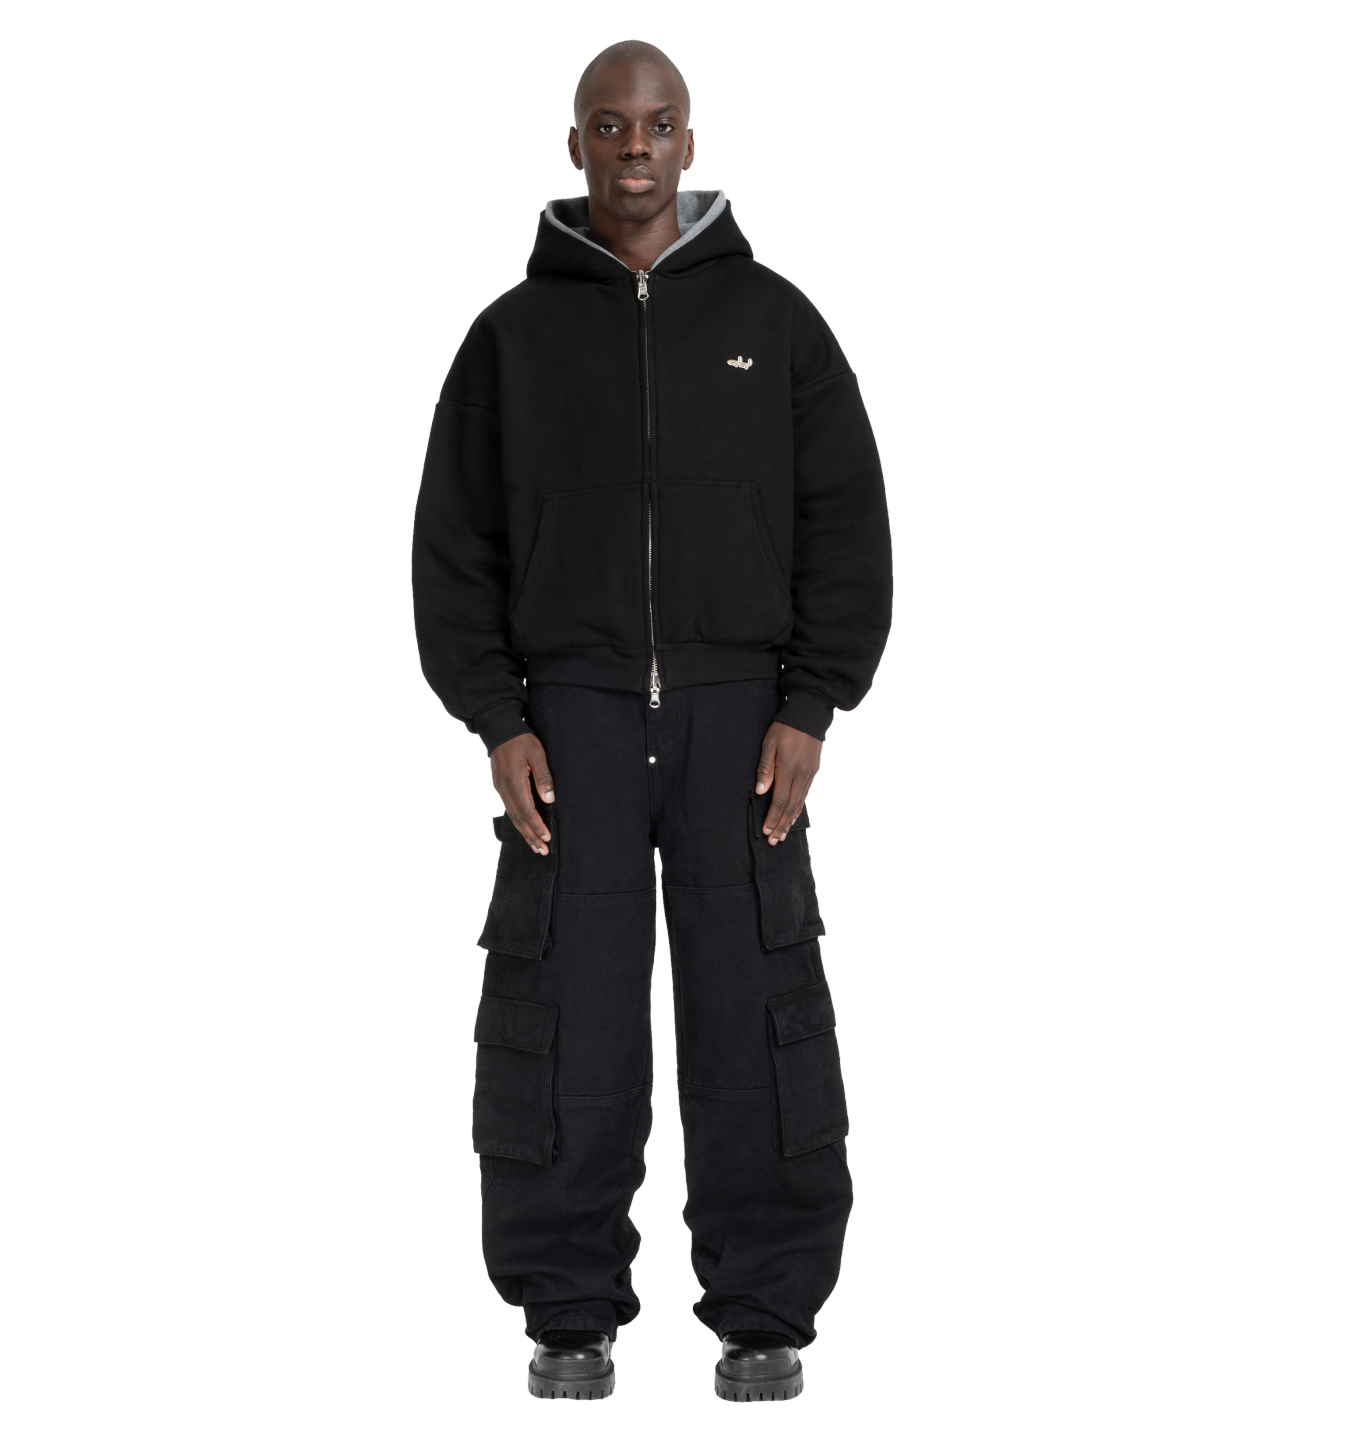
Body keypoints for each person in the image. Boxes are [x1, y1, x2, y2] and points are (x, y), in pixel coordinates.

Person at [412, 38, 892, 1402]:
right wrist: (497, 719)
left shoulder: (778, 321)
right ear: (573, 143)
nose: (636, 148)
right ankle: (567, 1309)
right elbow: (452, 549)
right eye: (611, 125)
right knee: (563, 1003)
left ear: (691, 140)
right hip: (568, 715)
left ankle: (766, 1310)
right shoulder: (509, 337)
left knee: (759, 1000)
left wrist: (811, 705)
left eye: (659, 124)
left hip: (744, 716)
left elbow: (847, 526)